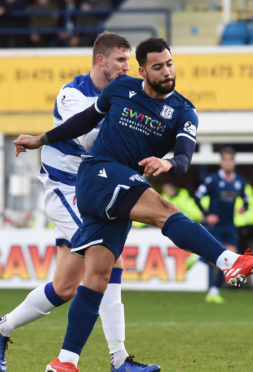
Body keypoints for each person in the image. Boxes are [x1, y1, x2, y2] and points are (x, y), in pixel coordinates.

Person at [14, 37, 253, 372]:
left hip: (119, 187)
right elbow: (82, 123)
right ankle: (228, 261)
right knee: (164, 211)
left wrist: (169, 164)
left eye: (169, 64)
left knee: (96, 277)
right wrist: (40, 139)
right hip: (97, 175)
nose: (167, 71)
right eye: (158, 67)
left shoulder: (184, 111)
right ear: (143, 71)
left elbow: (184, 158)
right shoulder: (121, 89)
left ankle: (65, 361)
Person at [1, 32, 159, 372]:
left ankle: (1, 329)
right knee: (110, 262)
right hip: (67, 187)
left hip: (95, 190)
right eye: (120, 61)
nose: (126, 68)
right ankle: (119, 359)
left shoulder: (126, 92)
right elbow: (92, 139)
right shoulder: (72, 95)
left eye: (129, 62)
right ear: (100, 60)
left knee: (66, 286)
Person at [190, 147, 248, 304]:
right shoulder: (213, 180)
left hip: (230, 226)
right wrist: (207, 214)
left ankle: (214, 291)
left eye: (231, 160)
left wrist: (244, 207)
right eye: (225, 160)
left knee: (229, 260)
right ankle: (199, 259)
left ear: (234, 162)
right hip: (215, 227)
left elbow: (246, 198)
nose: (228, 163)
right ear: (221, 162)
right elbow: (197, 197)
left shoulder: (239, 182)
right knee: (216, 260)